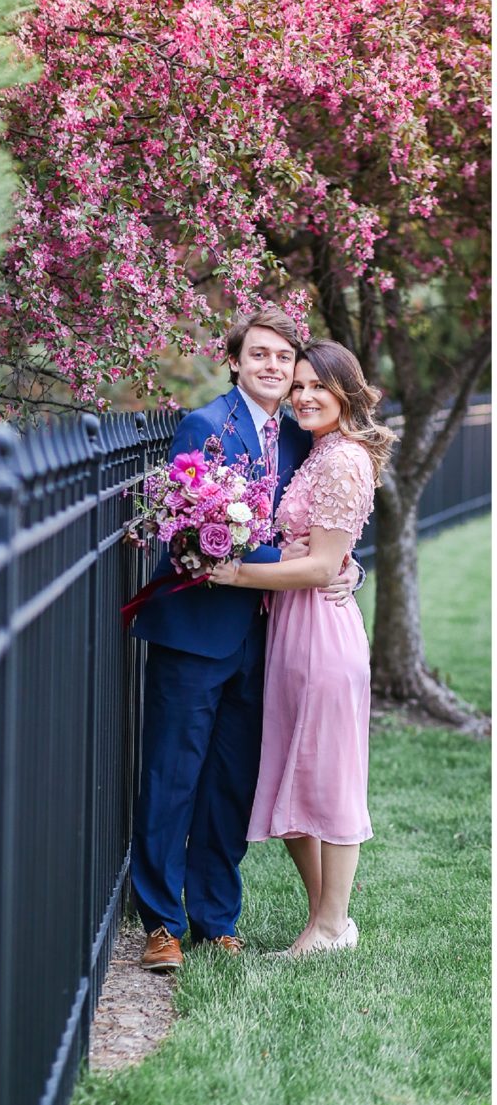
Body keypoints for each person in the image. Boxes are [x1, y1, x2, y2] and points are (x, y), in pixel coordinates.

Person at [128, 306, 359, 972]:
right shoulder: (205, 425)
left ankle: (217, 918)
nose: (273, 367)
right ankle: (162, 922)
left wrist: (346, 566)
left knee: (231, 784)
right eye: (259, 354)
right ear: (235, 361)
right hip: (197, 633)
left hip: (269, 641)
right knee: (173, 777)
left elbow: (319, 529)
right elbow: (182, 532)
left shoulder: (300, 438)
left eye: (283, 358)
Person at [207, 341, 393, 954]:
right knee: (292, 773)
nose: (305, 396)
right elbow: (329, 554)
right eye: (299, 386)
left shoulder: (343, 461)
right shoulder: (317, 451)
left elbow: (318, 567)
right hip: (290, 629)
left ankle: (335, 923)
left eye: (320, 386)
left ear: (347, 392)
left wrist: (236, 574)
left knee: (330, 780)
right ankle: (323, 921)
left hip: (321, 632)